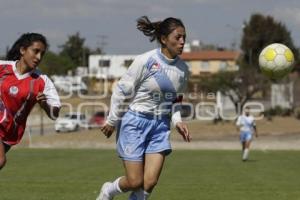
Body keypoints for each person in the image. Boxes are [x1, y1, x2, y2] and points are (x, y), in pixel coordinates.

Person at [97, 16, 191, 200]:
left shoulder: (183, 69)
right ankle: (108, 190)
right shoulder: (145, 61)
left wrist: (177, 121)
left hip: (160, 126)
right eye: (178, 37)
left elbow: (176, 99)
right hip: (135, 122)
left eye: (184, 37)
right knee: (134, 182)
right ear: (164, 39)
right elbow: (121, 90)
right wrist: (112, 120)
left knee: (149, 182)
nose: (182, 42)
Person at [0, 33, 61, 170]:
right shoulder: (2, 67)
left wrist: (44, 104)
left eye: (42, 54)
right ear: (23, 50)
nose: (39, 57)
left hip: (9, 134)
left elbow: (54, 114)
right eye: (35, 51)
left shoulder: (42, 81)